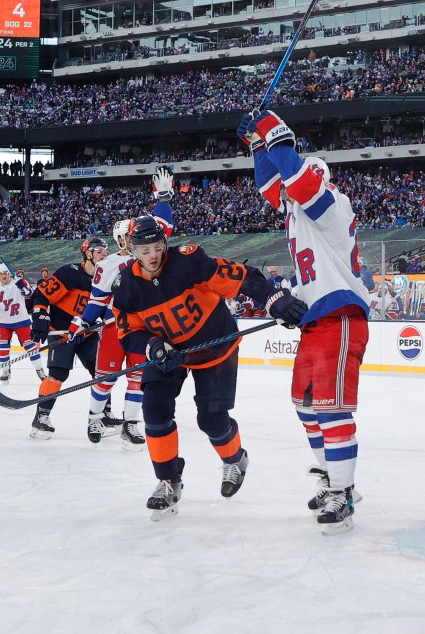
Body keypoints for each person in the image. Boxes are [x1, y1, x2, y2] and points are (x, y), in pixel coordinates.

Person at [112, 215, 307, 521]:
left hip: (214, 345)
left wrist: (272, 297)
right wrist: (152, 345)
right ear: (132, 251)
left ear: (164, 243)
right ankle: (168, 480)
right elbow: (128, 332)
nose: (152, 255)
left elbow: (241, 276)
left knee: (212, 419)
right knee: (155, 409)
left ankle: (234, 459)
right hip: (167, 352)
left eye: (156, 247)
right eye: (143, 249)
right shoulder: (125, 287)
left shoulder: (190, 262)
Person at [239, 110, 371, 534]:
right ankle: (333, 478)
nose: (287, 193)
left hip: (341, 315)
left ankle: (344, 492)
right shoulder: (298, 212)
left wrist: (272, 130)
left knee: (332, 409)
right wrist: (257, 146)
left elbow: (294, 177)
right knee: (305, 404)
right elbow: (271, 185)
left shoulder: (332, 204)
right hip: (317, 320)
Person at [67, 167, 175, 449]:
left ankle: (131, 424)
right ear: (121, 239)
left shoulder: (151, 257)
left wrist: (163, 198)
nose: (136, 239)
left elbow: (165, 226)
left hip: (145, 327)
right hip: (116, 327)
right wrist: (81, 322)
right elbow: (98, 300)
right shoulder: (107, 265)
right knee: (105, 379)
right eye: (129, 235)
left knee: (138, 379)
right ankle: (94, 417)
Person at [29, 236, 111, 440]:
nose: (104, 254)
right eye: (99, 250)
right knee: (58, 374)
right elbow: (41, 294)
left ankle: (104, 415)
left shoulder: (106, 279)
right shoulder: (70, 273)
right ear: (88, 253)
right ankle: (41, 417)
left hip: (87, 332)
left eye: (105, 250)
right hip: (62, 333)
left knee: (101, 371)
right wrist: (40, 316)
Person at [0, 264, 47, 383]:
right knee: (2, 349)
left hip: (21, 321)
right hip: (4, 323)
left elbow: (29, 294)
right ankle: (6, 370)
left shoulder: (17, 283)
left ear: (9, 274)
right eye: (0, 274)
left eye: (5, 273)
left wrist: (23, 285)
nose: (3, 276)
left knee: (31, 348)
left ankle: (40, 370)